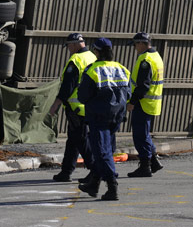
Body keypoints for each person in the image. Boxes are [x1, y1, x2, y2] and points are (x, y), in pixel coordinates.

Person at [76, 38, 131, 201]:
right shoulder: (122, 69)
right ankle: (94, 183)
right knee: (107, 149)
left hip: (98, 116)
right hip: (117, 116)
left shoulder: (93, 70)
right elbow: (128, 93)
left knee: (102, 152)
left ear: (96, 52)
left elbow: (83, 96)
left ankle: (112, 186)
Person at [49, 33, 97, 183]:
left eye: (69, 46)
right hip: (89, 106)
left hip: (76, 108)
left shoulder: (76, 60)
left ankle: (96, 170)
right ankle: (66, 171)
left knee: (81, 140)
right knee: (74, 140)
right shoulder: (92, 57)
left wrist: (56, 104)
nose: (69, 49)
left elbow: (68, 86)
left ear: (75, 44)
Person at [126, 32, 165, 178]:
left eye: (136, 44)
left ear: (142, 43)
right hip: (151, 103)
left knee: (140, 136)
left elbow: (143, 85)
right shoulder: (156, 56)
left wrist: (132, 102)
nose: (135, 48)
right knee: (145, 134)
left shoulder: (146, 60)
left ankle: (145, 166)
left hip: (143, 103)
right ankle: (153, 161)